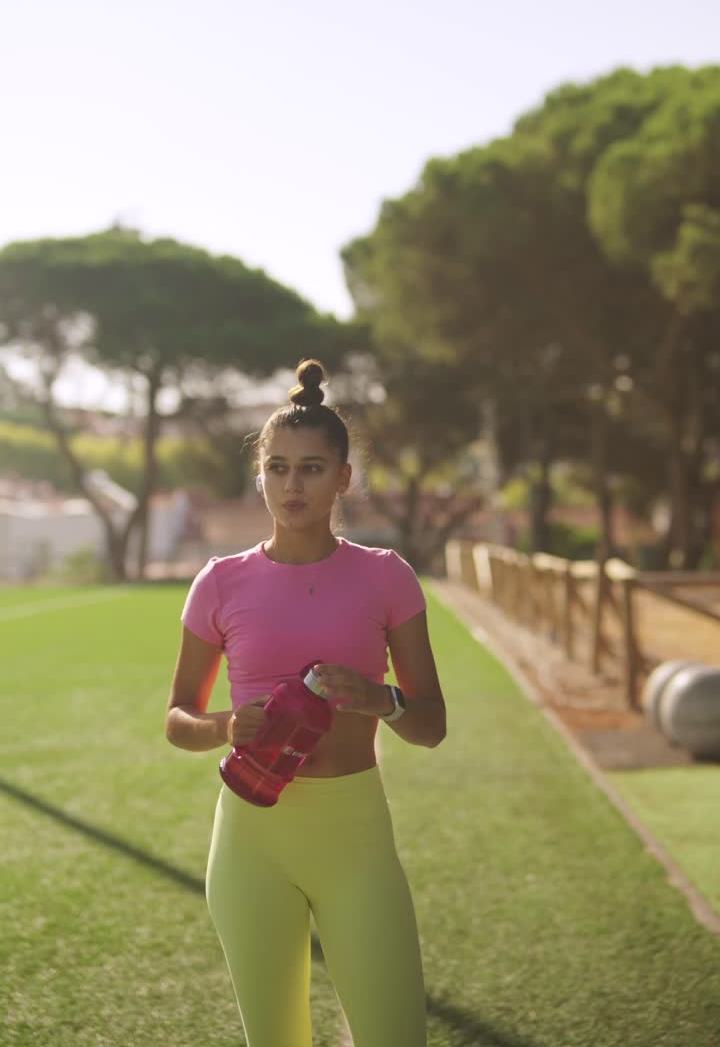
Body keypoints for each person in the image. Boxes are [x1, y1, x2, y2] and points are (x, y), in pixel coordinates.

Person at [165, 358, 446, 1047]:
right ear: (260, 474)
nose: (292, 484)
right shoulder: (219, 583)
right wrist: (230, 724)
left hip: (355, 836)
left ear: (344, 477)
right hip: (252, 840)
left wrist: (380, 699)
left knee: (394, 1035)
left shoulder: (386, 577)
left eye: (313, 467)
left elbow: (431, 725)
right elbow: (178, 719)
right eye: (278, 467)